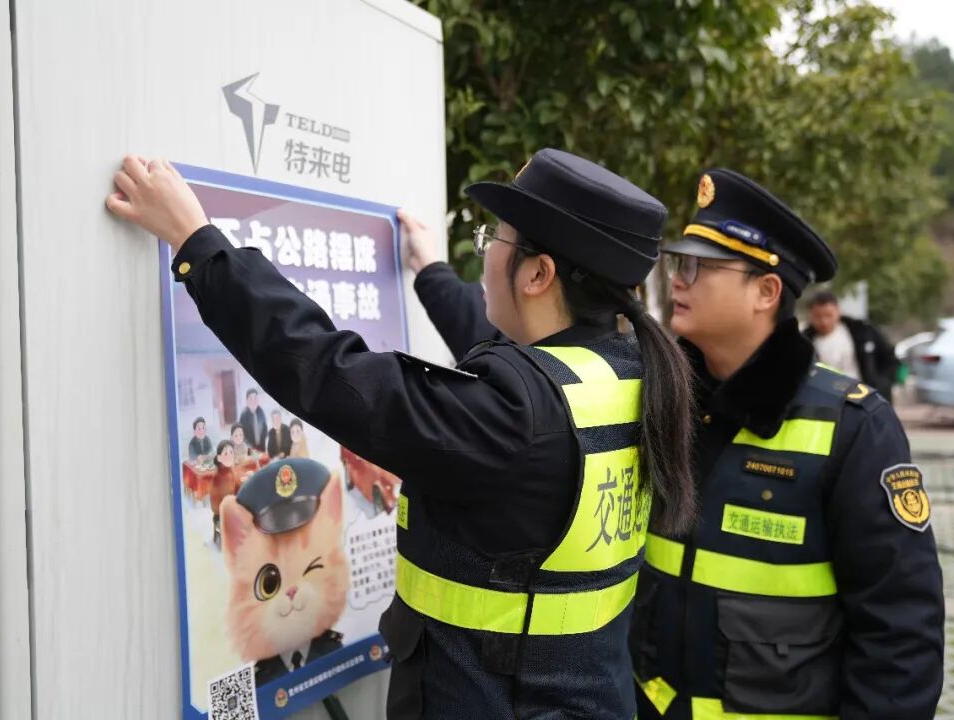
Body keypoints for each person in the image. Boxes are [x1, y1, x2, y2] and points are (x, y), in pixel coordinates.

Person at [105, 150, 697, 719]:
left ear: (538, 274)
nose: (485, 258)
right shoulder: (625, 374)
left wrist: (198, 243)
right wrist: (430, 271)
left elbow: (330, 373)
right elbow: (493, 347)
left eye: (493, 242)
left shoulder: (512, 417)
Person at [631, 169, 944, 720]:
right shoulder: (664, 400)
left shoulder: (855, 428)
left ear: (766, 292)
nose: (678, 281)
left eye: (700, 267)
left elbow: (899, 633)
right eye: (679, 264)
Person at [804, 290, 899, 403]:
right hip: (827, 401)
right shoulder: (804, 342)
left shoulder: (863, 331)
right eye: (818, 316)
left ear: (838, 311)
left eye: (828, 315)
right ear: (810, 315)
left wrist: (881, 384)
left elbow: (889, 358)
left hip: (866, 397)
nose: (824, 321)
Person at [209, 439, 240, 545]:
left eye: (231, 452)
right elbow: (215, 504)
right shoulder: (217, 477)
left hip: (231, 508)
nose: (230, 456)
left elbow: (235, 486)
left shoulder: (230, 471)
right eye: (226, 453)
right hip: (221, 514)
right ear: (219, 458)